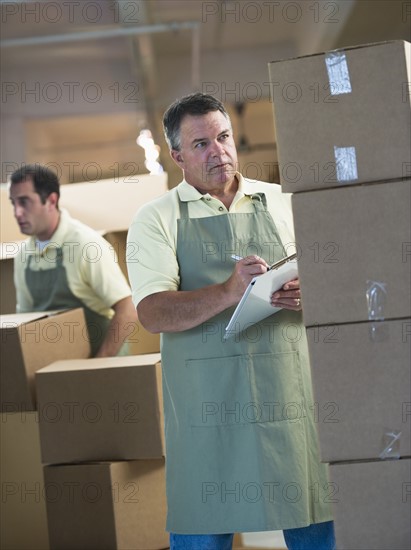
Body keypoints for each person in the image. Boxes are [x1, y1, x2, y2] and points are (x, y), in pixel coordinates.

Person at [127, 93, 335, 549]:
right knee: (204, 527)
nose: (218, 150)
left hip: (290, 401)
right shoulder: (155, 219)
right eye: (200, 144)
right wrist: (229, 291)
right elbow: (151, 312)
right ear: (177, 156)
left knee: (317, 529)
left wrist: (309, 294)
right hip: (208, 412)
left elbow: (335, 286)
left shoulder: (282, 201)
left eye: (223, 137)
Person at [9, 164, 136, 357]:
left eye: (24, 202)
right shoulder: (23, 256)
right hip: (53, 371)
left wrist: (99, 364)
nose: (17, 213)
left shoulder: (87, 245)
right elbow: (26, 321)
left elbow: (127, 310)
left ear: (51, 201)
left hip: (103, 370)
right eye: (13, 203)